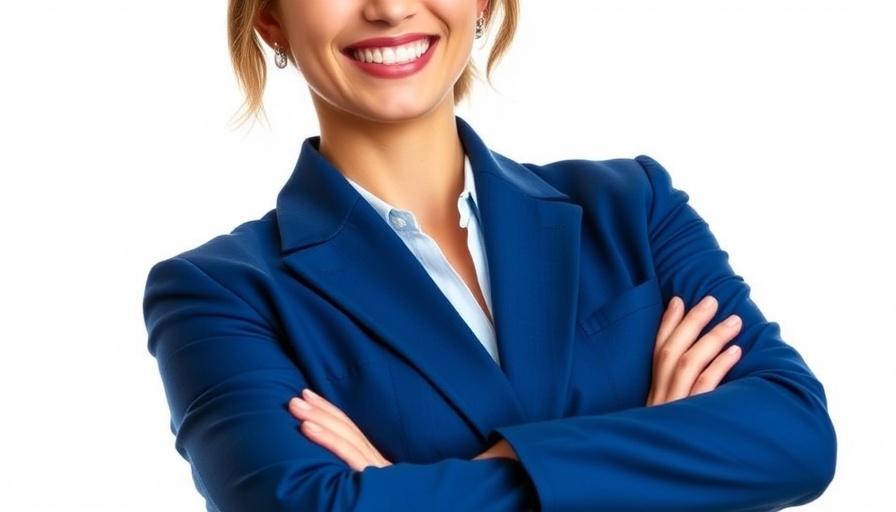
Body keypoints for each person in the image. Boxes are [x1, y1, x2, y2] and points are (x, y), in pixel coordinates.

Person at [143, 0, 836, 510]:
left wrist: (405, 488)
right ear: (269, 19)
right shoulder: (217, 292)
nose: (387, 9)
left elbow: (796, 434)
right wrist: (657, 445)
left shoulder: (633, 203)